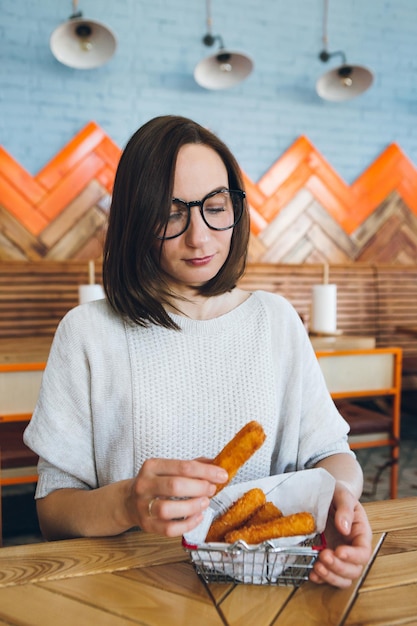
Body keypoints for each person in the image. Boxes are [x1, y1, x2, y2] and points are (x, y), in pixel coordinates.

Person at [24, 114, 372, 588]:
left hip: (266, 588)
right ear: (135, 218)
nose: (199, 235)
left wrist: (342, 503)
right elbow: (53, 509)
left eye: (215, 204)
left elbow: (333, 455)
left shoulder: (275, 320)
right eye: (171, 213)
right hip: (128, 589)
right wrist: (128, 502)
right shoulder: (87, 333)